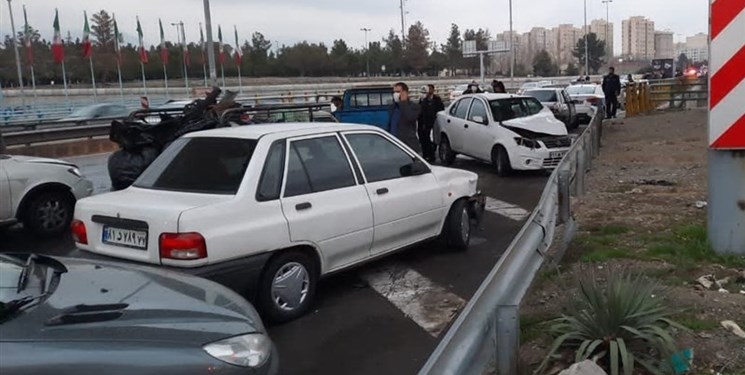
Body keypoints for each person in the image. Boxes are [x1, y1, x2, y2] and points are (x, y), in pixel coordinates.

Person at [388, 82, 422, 153]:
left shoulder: (414, 106)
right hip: (394, 144)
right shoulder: (392, 107)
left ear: (405, 93)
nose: (395, 94)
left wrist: (403, 102)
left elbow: (410, 117)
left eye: (398, 92)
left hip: (408, 145)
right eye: (394, 92)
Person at [418, 84, 445, 162]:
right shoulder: (423, 99)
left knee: (431, 139)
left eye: (430, 89)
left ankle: (431, 155)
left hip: (433, 122)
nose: (429, 91)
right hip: (423, 122)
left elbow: (440, 109)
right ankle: (425, 154)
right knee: (423, 139)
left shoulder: (436, 99)